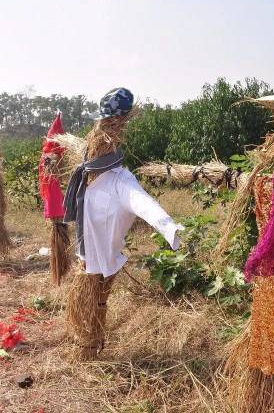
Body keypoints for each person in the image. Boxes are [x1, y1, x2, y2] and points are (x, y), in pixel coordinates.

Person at [58, 88, 183, 360]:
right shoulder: (87, 174)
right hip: (84, 259)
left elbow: (145, 204)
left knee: (95, 298)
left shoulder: (120, 181)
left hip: (102, 261)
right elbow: (71, 144)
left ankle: (89, 346)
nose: (96, 135)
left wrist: (169, 228)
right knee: (85, 300)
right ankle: (86, 345)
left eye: (105, 125)